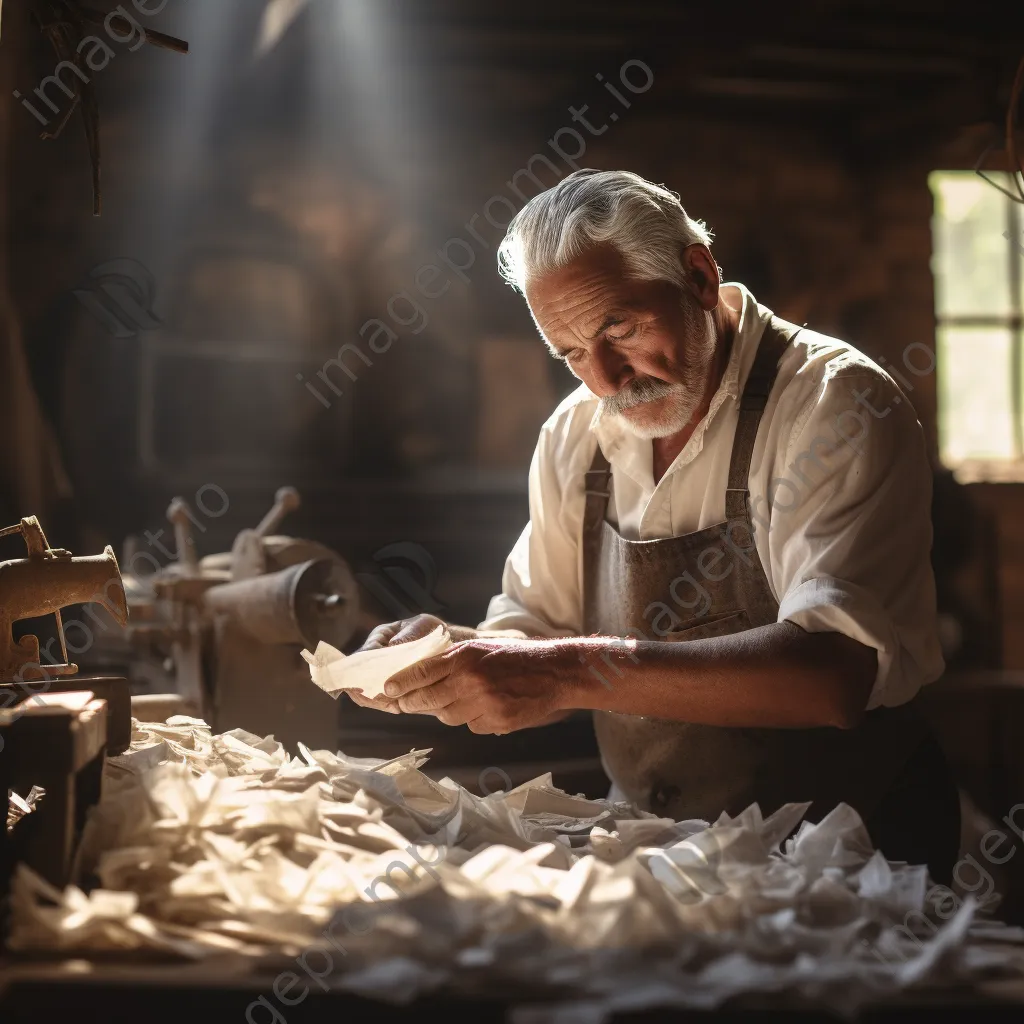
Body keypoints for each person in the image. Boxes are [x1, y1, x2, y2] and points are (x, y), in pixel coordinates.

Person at [347, 169, 960, 883]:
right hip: (666, 854)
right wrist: (456, 655)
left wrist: (564, 672)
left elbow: (829, 676)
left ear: (698, 276)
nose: (606, 379)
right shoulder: (576, 436)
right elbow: (534, 629)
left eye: (621, 329)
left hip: (850, 863)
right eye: (571, 353)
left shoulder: (834, 405)